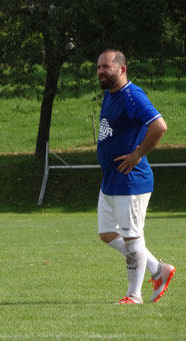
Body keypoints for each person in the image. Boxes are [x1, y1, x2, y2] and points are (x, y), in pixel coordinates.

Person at [96, 49, 175, 304]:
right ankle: (158, 270)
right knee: (107, 233)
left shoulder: (132, 95)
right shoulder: (110, 95)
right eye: (98, 67)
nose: (100, 71)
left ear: (122, 69)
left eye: (106, 67)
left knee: (133, 238)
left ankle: (134, 296)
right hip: (111, 180)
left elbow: (159, 126)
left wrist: (137, 154)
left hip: (130, 181)